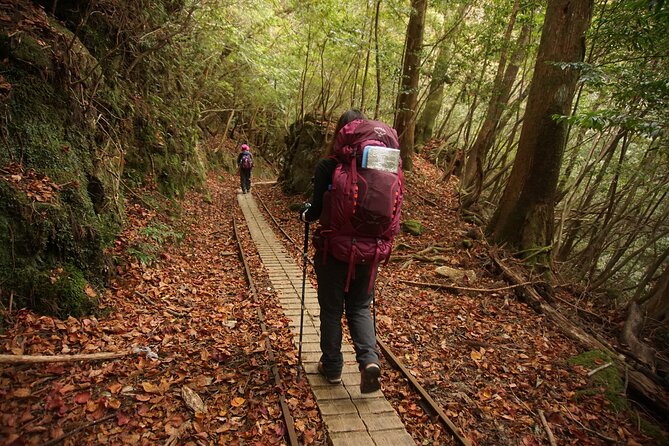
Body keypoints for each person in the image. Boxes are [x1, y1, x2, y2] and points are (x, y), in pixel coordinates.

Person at [300, 109, 397, 394]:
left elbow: (316, 212)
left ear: (341, 133)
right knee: (359, 307)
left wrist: (305, 213)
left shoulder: (327, 165)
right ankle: (369, 361)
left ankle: (332, 367)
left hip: (334, 251)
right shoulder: (385, 166)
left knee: (332, 309)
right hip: (370, 252)